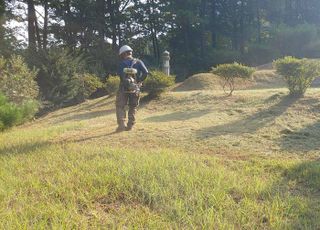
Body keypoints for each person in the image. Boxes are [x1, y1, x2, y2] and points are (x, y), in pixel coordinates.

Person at [116, 45, 149, 132]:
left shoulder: (122, 64)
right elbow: (146, 72)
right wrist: (139, 82)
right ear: (130, 52)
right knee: (133, 106)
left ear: (123, 54)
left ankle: (121, 125)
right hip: (135, 88)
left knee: (120, 106)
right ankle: (130, 125)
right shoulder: (138, 62)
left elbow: (120, 75)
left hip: (123, 88)